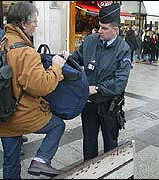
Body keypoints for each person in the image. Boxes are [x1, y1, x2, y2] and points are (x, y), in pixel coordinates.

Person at [0, 2, 67, 178]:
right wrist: (56, 67)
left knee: (10, 161)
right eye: (34, 21)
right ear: (23, 24)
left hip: (1, 114)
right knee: (58, 125)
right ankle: (41, 160)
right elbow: (41, 86)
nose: (36, 25)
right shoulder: (25, 52)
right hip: (21, 114)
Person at [68, 3, 131, 161]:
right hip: (88, 104)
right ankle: (89, 170)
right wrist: (66, 58)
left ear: (115, 30)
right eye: (99, 26)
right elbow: (76, 59)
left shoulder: (123, 49)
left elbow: (120, 81)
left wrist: (98, 88)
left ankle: (111, 170)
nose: (99, 31)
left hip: (109, 105)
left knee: (110, 142)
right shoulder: (90, 41)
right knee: (89, 141)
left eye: (104, 28)